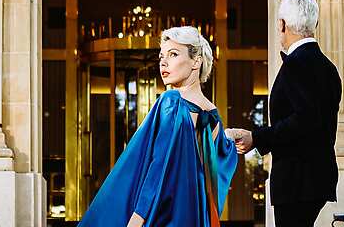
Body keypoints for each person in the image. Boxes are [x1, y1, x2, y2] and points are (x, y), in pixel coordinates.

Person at [80, 26, 238, 227]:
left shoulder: (171, 102)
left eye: (173, 54)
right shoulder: (213, 116)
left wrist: (137, 218)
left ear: (196, 61)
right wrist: (230, 136)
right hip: (195, 217)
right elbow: (217, 170)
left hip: (164, 216)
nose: (163, 61)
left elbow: (159, 165)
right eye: (162, 55)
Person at [226, 0, 341, 227]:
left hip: (297, 181)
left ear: (282, 25)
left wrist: (255, 137)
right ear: (314, 23)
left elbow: (305, 120)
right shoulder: (328, 67)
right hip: (315, 179)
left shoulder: (297, 64)